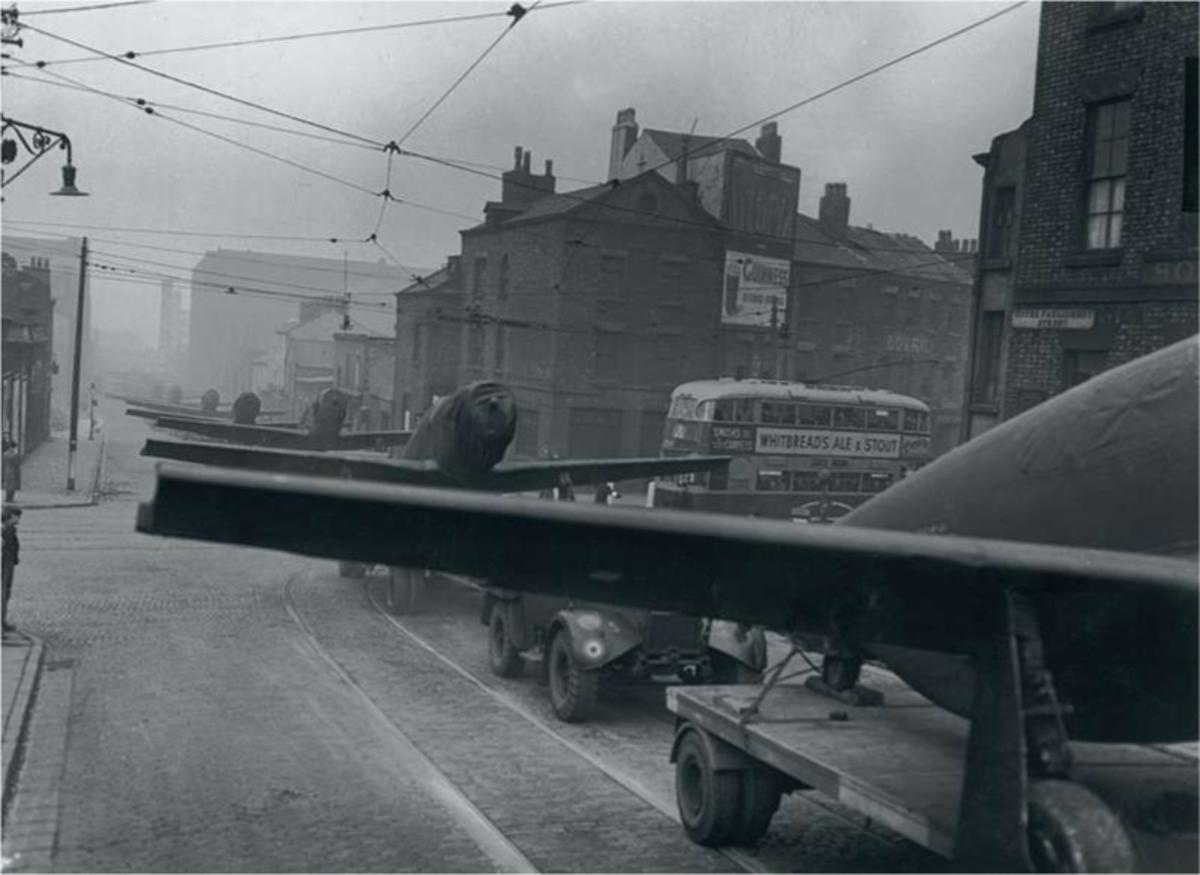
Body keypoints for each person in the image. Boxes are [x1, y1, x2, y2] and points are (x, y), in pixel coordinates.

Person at [2, 504, 21, 632]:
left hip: (9, 563)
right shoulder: (6, 530)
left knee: (5, 593)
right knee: (4, 593)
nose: (19, 519)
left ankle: (2, 622)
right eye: (17, 516)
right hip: (5, 565)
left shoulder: (9, 529)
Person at [2, 437, 20, 503]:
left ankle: (7, 498)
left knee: (7, 486)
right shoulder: (15, 455)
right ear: (15, 446)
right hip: (12, 472)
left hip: (6, 471)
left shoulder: (5, 454)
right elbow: (16, 466)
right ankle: (11, 499)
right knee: (12, 486)